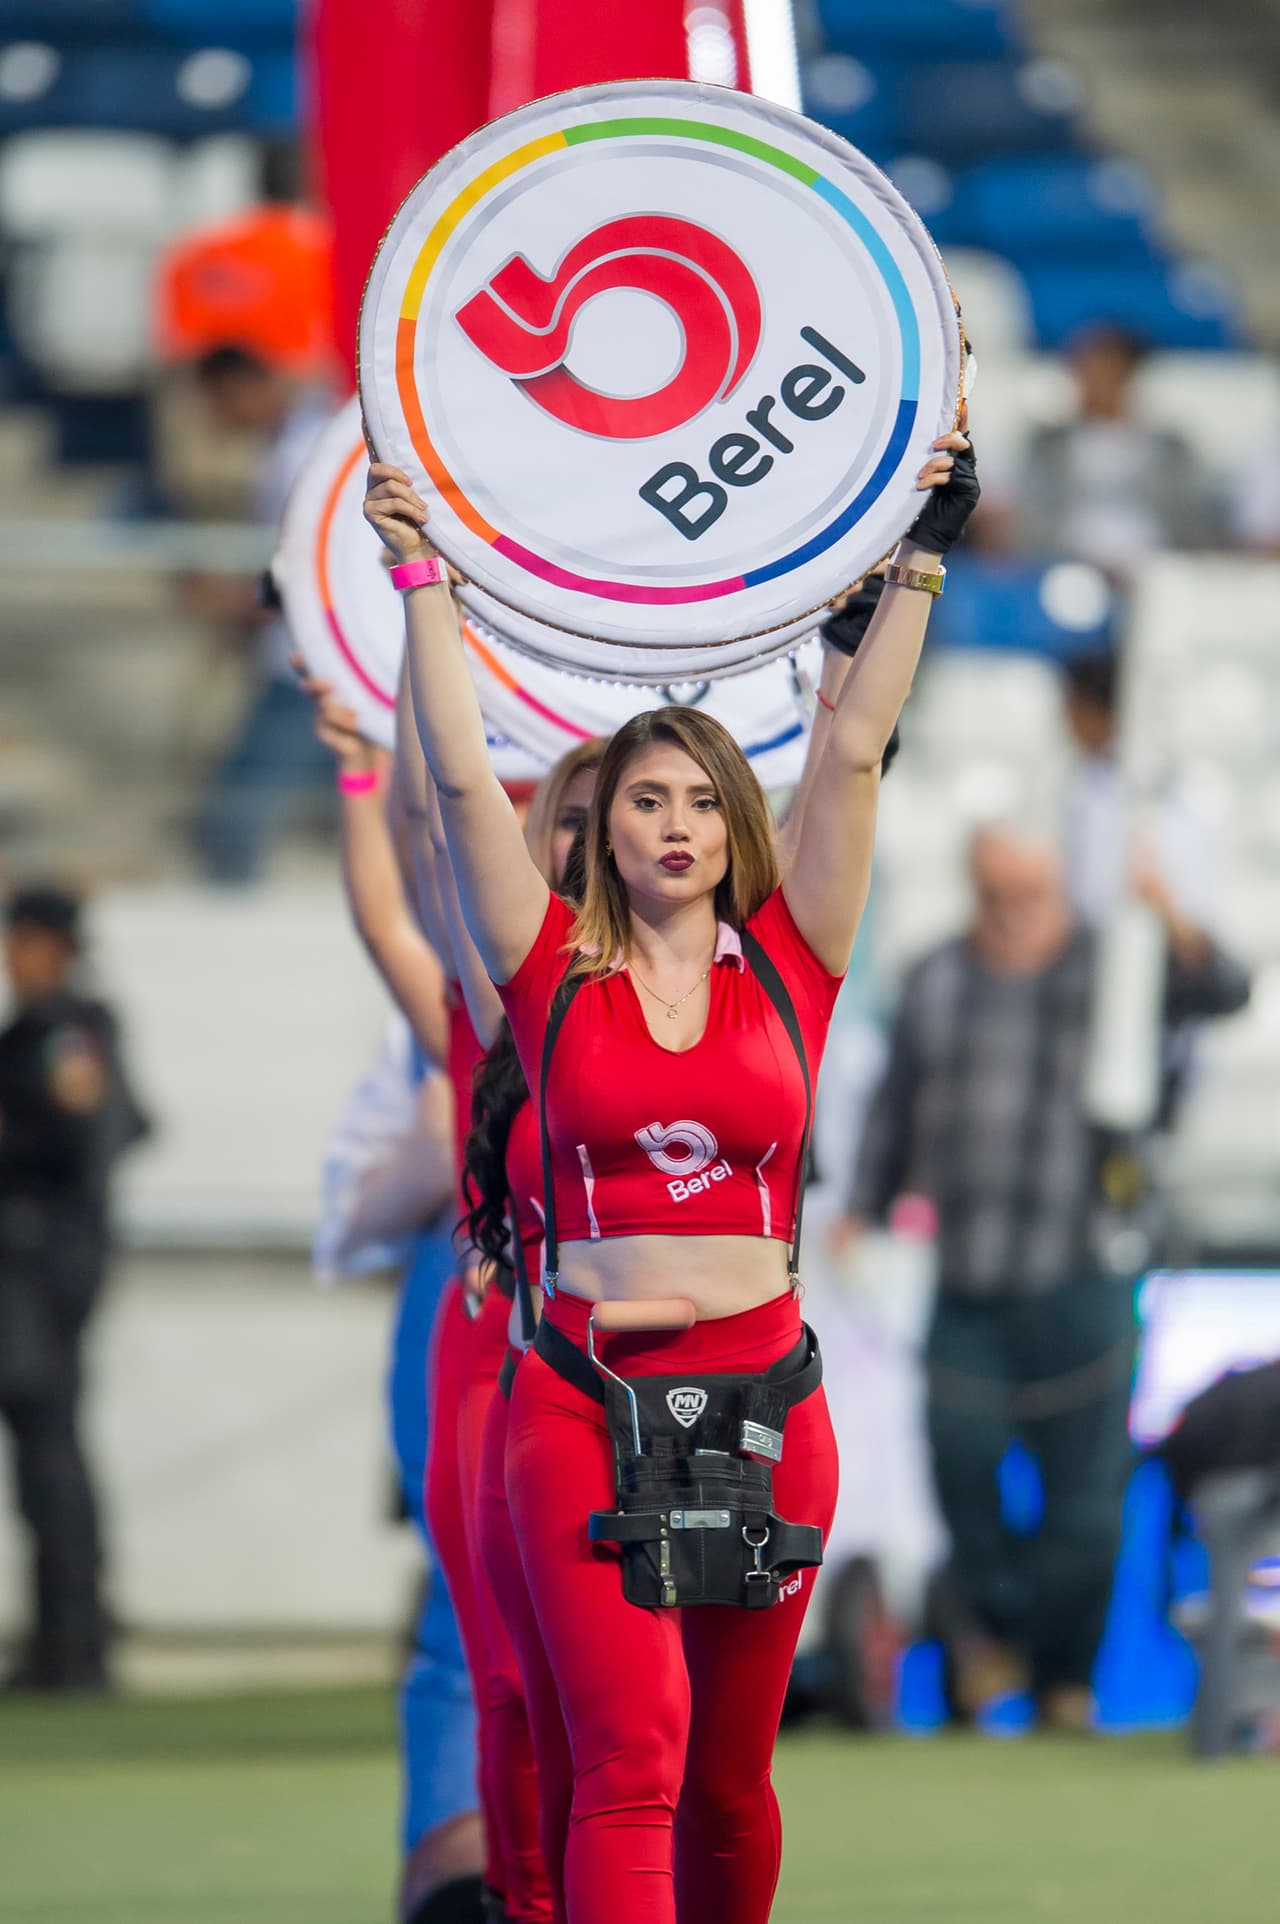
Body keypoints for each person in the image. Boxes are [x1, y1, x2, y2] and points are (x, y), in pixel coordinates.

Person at [363, 414, 978, 1923]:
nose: (678, 821)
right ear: (604, 831)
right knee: (625, 1762)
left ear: (736, 825)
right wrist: (424, 584)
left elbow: (850, 746)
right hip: (578, 1403)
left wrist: (917, 567)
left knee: (727, 1781)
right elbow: (451, 788)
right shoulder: (544, 972)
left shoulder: (797, 963)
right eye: (648, 799)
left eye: (704, 798)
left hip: (771, 1401)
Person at [829, 824, 1251, 1729]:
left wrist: (1168, 913)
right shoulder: (935, 976)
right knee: (959, 1463)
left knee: (1087, 1505)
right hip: (968, 1277)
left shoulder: (1118, 967)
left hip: (1086, 1271)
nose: (1011, 912)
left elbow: (1226, 991)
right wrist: (862, 1205)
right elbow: (897, 1103)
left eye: (1029, 892)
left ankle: (1064, 1679)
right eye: (994, 894)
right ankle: (995, 1636)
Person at [0, 886, 149, 1693]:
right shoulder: (64, 1028)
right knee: (46, 1448)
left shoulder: (61, 1029)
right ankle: (66, 1639)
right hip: (46, 1258)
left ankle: (72, 1645)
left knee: (48, 1450)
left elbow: (91, 1126)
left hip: (37, 1264)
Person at [187, 345, 335, 885]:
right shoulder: (293, 447)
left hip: (306, 662)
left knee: (236, 813)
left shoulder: (305, 450)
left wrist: (239, 604)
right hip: (304, 655)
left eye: (218, 401)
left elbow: (314, 559)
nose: (216, 418)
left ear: (242, 387)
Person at [1011, 324, 1223, 573]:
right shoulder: (1046, 446)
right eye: (1084, 371)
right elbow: (1030, 514)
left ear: (1128, 375)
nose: (1093, 381)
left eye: (1105, 370)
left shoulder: (1171, 450)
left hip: (1158, 571)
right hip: (1064, 565)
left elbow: (1193, 518)